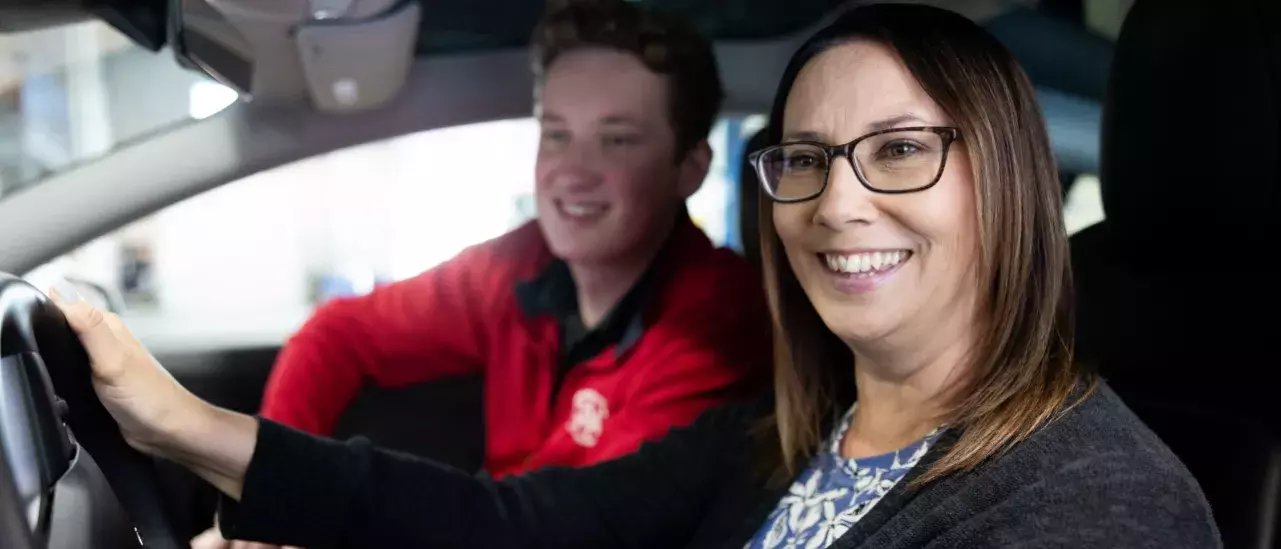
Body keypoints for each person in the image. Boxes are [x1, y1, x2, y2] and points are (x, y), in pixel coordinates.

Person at [53, 4, 1220, 548]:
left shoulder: (1100, 506)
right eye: (804, 159)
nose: (839, 202)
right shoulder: (783, 441)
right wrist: (189, 429)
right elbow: (511, 520)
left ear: (1007, 181)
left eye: (903, 150)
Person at [189, 0, 771, 547]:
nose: (572, 172)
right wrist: (263, 508)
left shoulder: (717, 326)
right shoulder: (523, 263)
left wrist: (300, 502)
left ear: (691, 168)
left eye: (616, 140)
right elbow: (338, 333)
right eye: (556, 135)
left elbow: (555, 531)